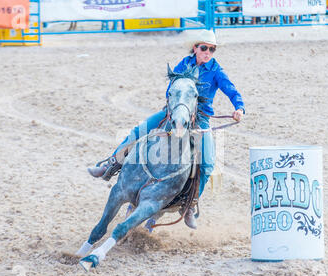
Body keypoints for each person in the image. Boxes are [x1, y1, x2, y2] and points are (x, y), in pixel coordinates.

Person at [88, 29, 245, 229]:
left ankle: (190, 204)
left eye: (212, 49)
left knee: (207, 164)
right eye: (204, 48)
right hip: (173, 113)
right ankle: (110, 165)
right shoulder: (183, 64)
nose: (208, 52)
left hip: (201, 119)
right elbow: (171, 89)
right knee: (138, 132)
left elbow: (231, 90)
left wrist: (239, 108)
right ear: (195, 48)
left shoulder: (216, 71)